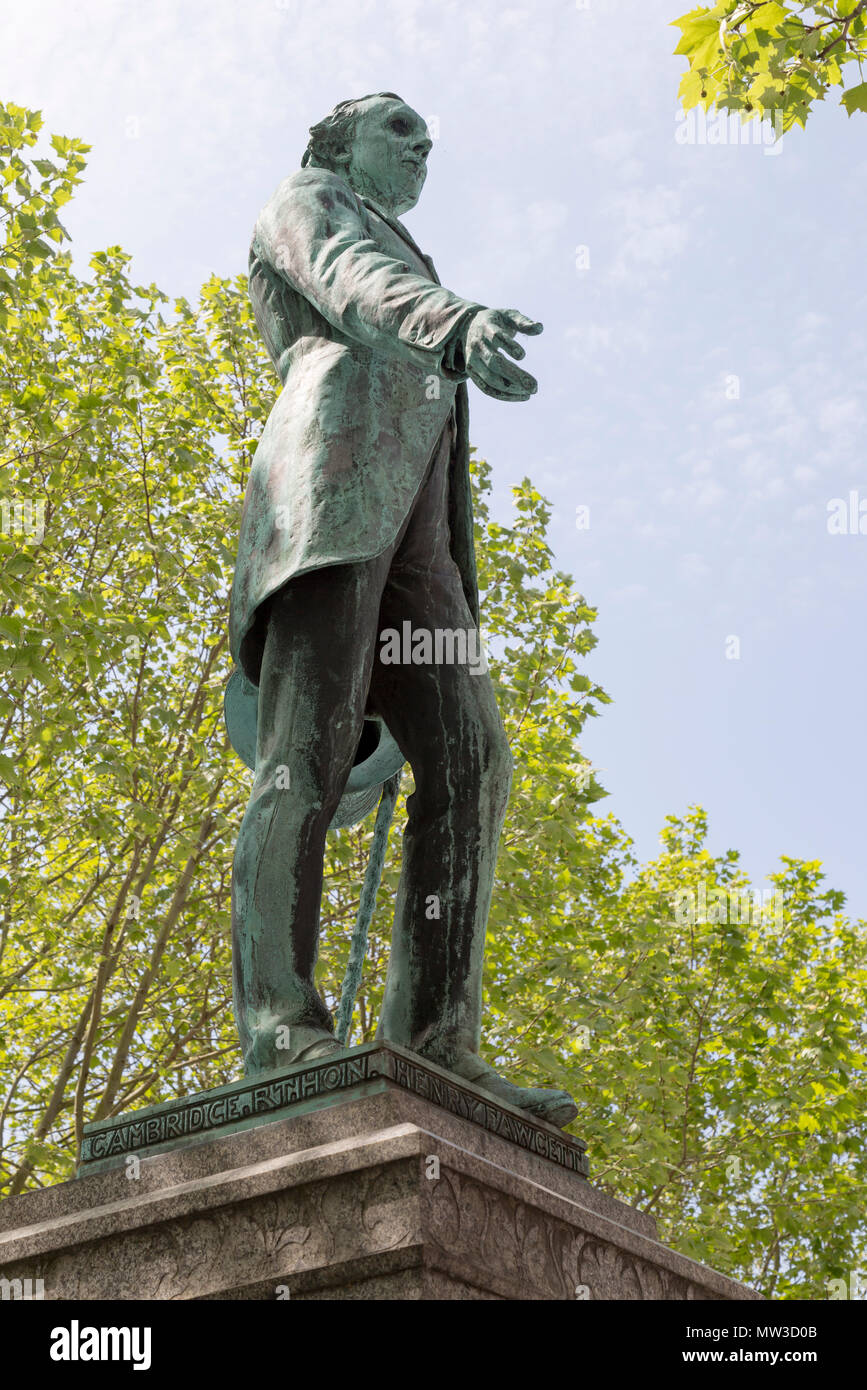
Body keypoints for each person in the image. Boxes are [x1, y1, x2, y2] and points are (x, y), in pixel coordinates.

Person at [229, 93, 577, 1128]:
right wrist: (451, 320)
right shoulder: (310, 198)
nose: (424, 146)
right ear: (340, 144)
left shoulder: (408, 253)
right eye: (401, 128)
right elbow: (353, 282)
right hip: (328, 504)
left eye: (429, 136)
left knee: (473, 758)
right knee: (307, 753)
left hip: (422, 556)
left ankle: (437, 1038)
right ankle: (280, 1028)